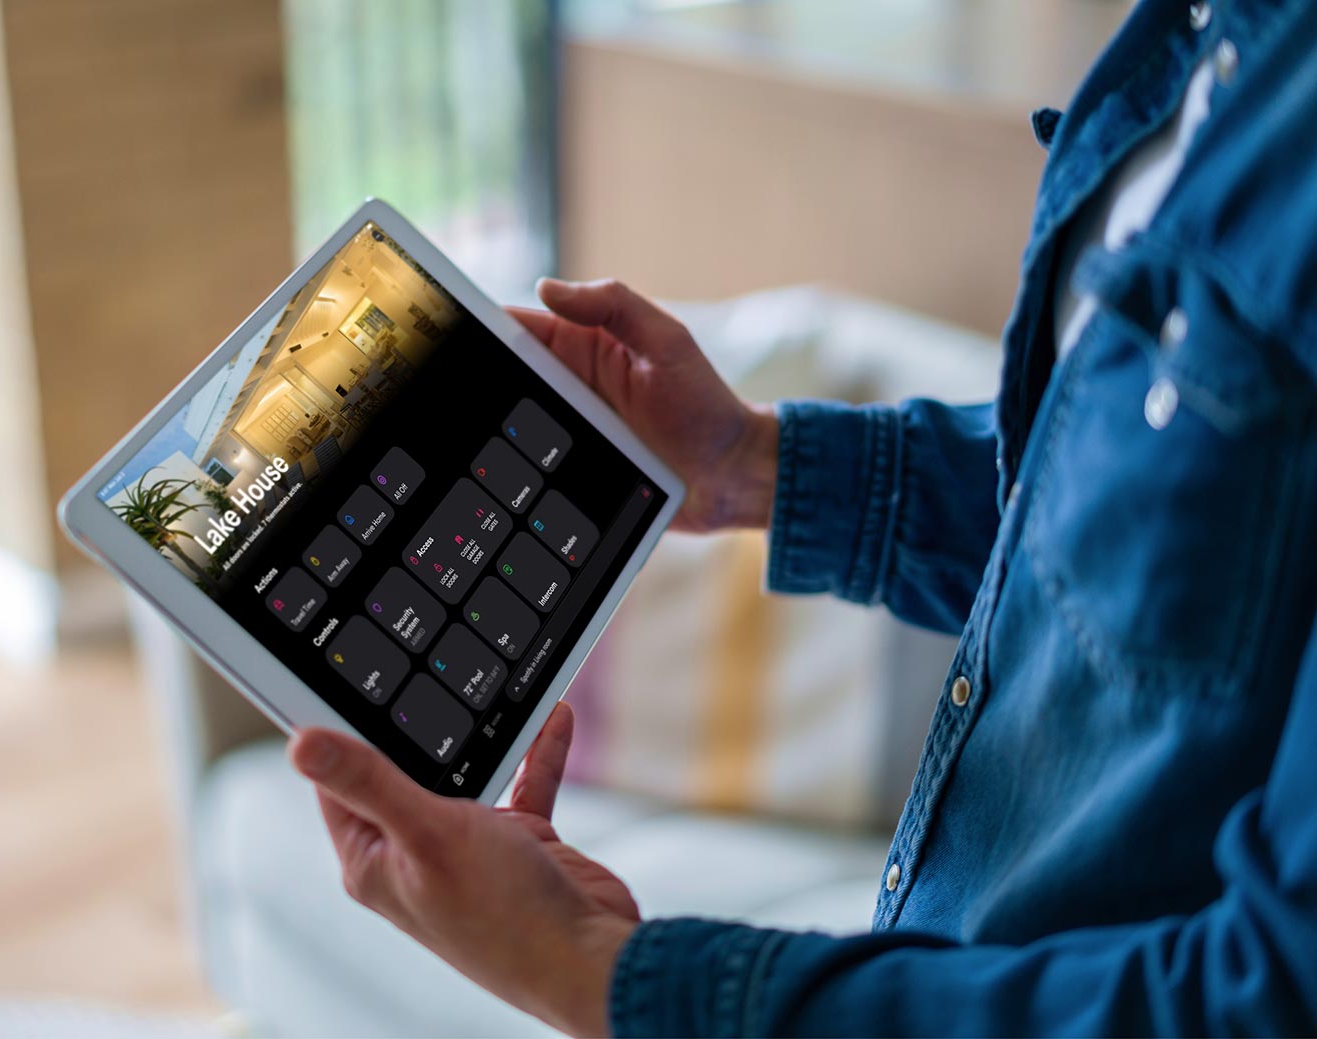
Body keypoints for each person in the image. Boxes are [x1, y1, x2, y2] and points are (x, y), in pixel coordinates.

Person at [288, 0, 1317, 1034]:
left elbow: (1270, 1000)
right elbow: (1144, 530)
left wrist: (598, 971)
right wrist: (749, 463)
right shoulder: (1195, 32)